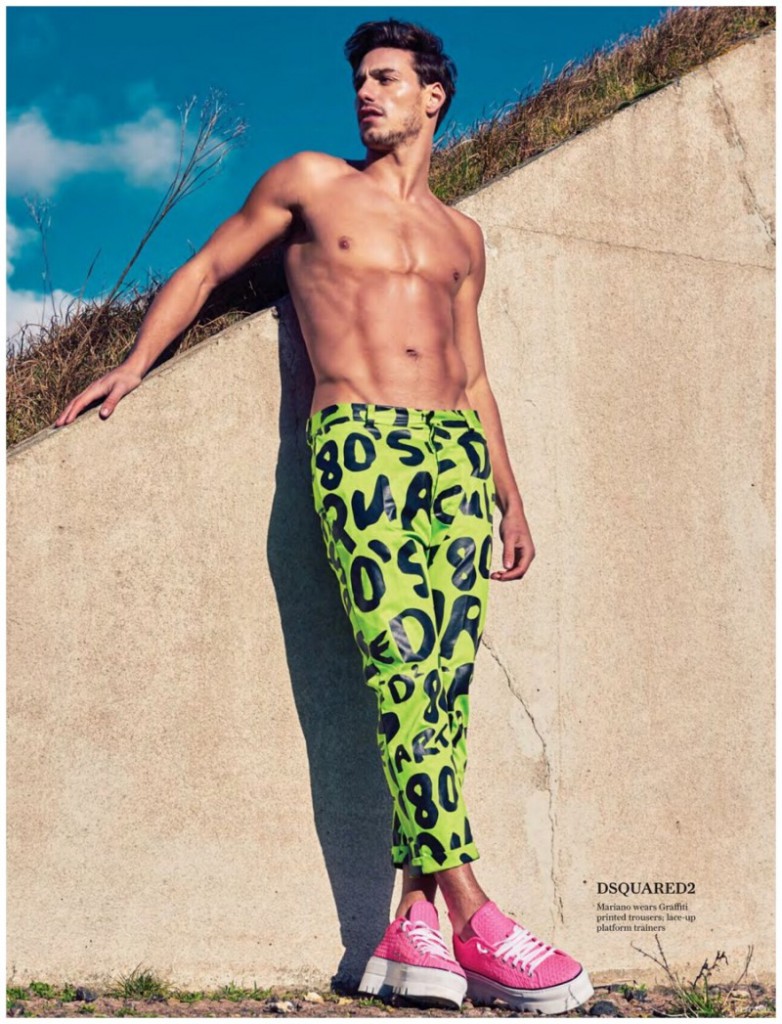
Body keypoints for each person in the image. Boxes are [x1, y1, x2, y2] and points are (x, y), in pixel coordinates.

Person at [53, 16, 593, 1016]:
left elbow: (473, 374)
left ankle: (411, 928)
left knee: (441, 694)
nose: (366, 95)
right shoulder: (309, 181)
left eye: (386, 79)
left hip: (452, 457)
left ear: (433, 96)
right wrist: (132, 364)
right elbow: (208, 268)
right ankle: (478, 917)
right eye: (359, 82)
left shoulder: (461, 236)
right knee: (402, 668)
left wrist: (509, 495)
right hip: (359, 445)